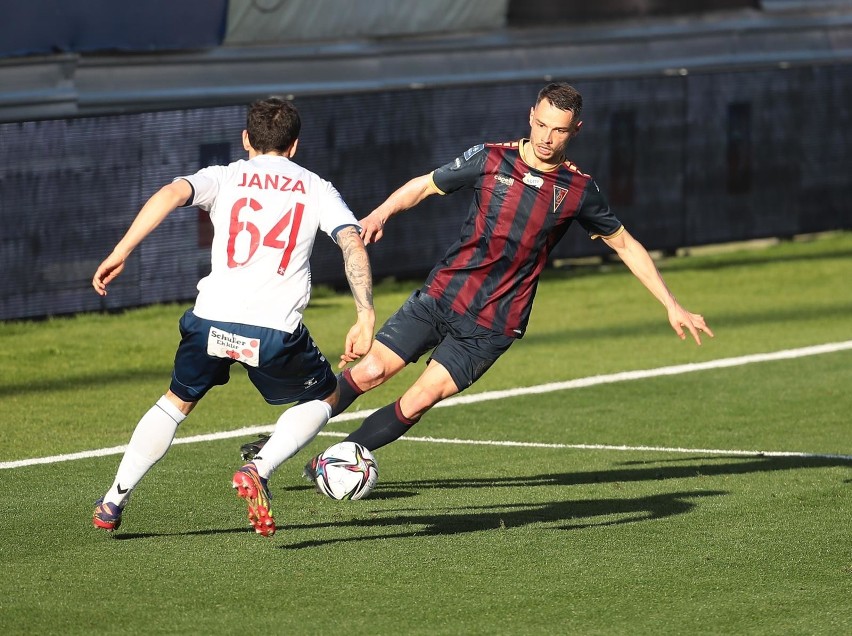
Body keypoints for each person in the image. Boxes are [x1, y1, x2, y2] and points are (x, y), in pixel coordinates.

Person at [239, 82, 713, 475]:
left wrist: (671, 303)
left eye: (560, 130)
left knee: (419, 398)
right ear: (531, 116)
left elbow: (626, 244)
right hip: (442, 295)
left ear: (575, 131)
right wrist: (382, 211)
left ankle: (332, 462)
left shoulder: (578, 192)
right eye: (542, 124)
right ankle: (277, 445)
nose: (548, 137)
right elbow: (425, 184)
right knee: (369, 371)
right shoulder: (489, 159)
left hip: (493, 324)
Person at [91, 97, 375, 537]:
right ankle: (259, 469)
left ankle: (112, 500)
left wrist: (120, 252)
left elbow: (170, 193)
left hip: (210, 321)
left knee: (174, 404)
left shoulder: (225, 176)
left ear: (246, 139)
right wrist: (365, 313)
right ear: (295, 146)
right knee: (326, 396)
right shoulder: (317, 187)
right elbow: (352, 242)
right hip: (274, 331)